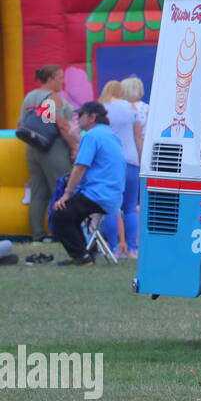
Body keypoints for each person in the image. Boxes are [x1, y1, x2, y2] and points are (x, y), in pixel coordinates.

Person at [47, 102, 125, 266]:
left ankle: (82, 257)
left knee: (59, 214)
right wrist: (76, 134)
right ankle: (85, 253)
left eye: (80, 114)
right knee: (70, 214)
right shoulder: (108, 134)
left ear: (92, 117)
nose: (77, 117)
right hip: (111, 195)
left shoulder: (92, 136)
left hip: (98, 195)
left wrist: (67, 194)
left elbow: (80, 167)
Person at [20, 65, 78, 243]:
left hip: (32, 148)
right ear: (50, 79)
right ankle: (64, 233)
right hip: (52, 148)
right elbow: (60, 125)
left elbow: (21, 122)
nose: (63, 81)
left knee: (38, 192)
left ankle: (38, 234)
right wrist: (74, 146)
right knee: (62, 189)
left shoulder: (29, 96)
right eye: (60, 77)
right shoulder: (52, 98)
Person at [100, 79, 144, 258]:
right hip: (132, 160)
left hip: (111, 163)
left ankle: (113, 248)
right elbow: (138, 137)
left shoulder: (102, 109)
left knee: (112, 207)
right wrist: (142, 162)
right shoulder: (132, 109)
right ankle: (132, 249)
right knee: (131, 207)